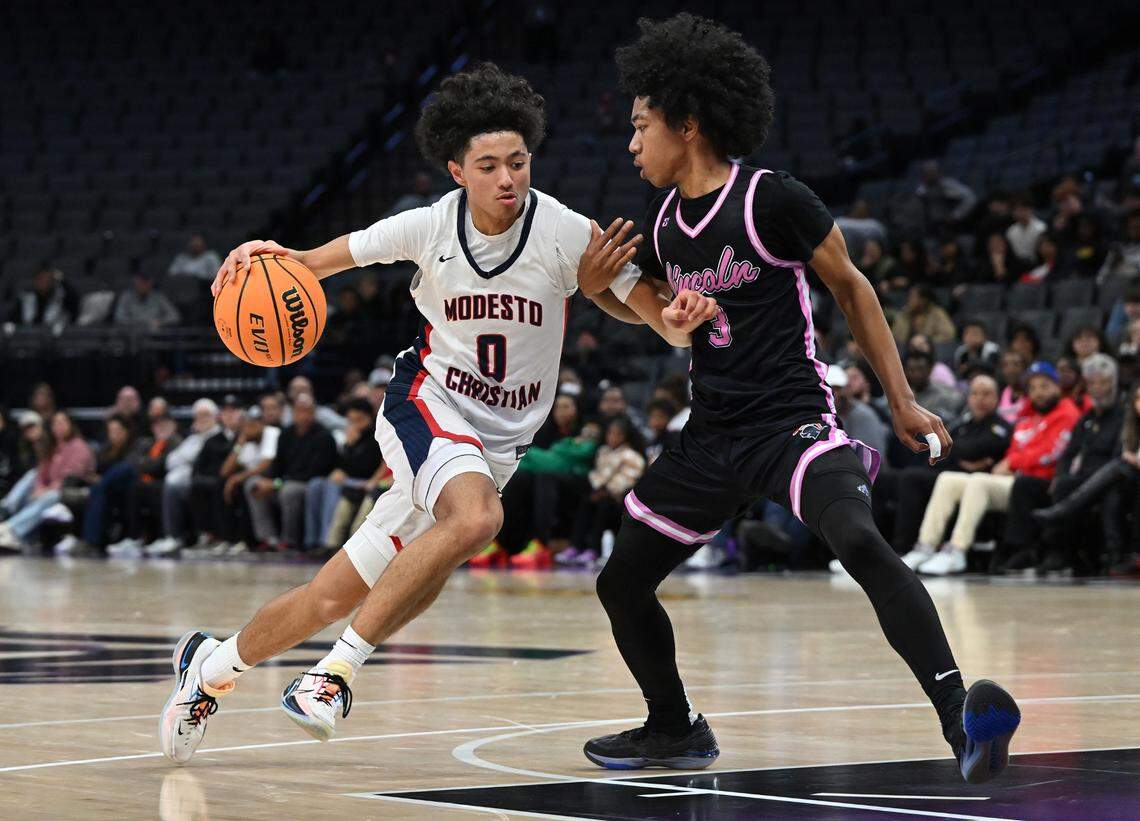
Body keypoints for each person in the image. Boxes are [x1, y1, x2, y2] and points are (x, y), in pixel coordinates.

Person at [161, 61, 674, 764]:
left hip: (496, 446)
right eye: (488, 165)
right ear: (457, 170)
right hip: (425, 407)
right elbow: (307, 263)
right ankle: (333, 677)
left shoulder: (565, 231)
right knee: (478, 519)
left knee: (331, 594)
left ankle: (209, 668)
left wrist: (668, 307)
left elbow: (665, 324)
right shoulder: (427, 226)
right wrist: (261, 255)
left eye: (518, 162)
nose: (507, 179)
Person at [578, 13, 1019, 784]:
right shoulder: (665, 225)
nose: (631, 143)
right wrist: (600, 294)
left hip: (792, 423)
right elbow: (652, 311)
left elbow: (852, 288)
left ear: (687, 126)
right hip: (711, 434)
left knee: (856, 536)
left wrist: (903, 400)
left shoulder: (770, 198)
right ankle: (674, 727)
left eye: (641, 125)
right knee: (620, 579)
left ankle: (961, 717)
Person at [907, 362, 1080, 575]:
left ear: (1057, 386)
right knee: (948, 478)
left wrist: (1011, 463)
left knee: (979, 480)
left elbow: (1050, 452)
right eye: (1033, 388)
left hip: (1040, 483)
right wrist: (1010, 462)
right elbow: (1015, 450)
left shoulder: (1067, 413)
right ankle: (926, 545)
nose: (1039, 393)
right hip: (1014, 480)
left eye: (1044, 386)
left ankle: (958, 550)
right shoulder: (1028, 416)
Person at [1002, 354, 1123, 575]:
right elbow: (1067, 455)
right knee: (1026, 485)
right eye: (1092, 383)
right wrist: (1058, 476)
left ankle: (1058, 553)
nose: (1098, 388)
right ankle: (1023, 550)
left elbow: (1117, 458)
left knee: (1067, 486)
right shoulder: (1086, 419)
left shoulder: (1121, 417)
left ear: (1113, 384)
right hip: (1075, 478)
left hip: (1103, 479)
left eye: (1103, 382)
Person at [892, 375, 1011, 566]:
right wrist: (965, 455)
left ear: (997, 399)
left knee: (914, 478)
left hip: (979, 480)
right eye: (975, 393)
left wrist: (961, 452)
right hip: (952, 475)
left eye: (986, 394)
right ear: (968, 397)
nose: (980, 398)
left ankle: (951, 550)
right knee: (909, 475)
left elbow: (973, 448)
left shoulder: (1001, 427)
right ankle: (919, 547)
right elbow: (945, 445)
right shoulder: (962, 424)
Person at [1028, 381, 1140, 576]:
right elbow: (1070, 452)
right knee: (1107, 492)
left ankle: (1064, 510)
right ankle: (1111, 556)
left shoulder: (1117, 417)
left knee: (1117, 466)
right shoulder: (1131, 428)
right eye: (1138, 398)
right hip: (1128, 480)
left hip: (1128, 473)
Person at [244, 393, 337, 551]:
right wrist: (270, 481)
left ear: (313, 413)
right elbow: (278, 466)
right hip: (283, 482)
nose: (302, 415)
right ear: (292, 412)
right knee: (253, 485)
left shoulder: (324, 437)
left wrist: (276, 483)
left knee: (289, 491)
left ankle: (289, 540)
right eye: (298, 411)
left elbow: (316, 472)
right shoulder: (285, 434)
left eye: (306, 411)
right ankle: (268, 538)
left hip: (309, 485)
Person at [0, 410, 95, 551]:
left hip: (72, 492)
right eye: (55, 423)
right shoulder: (51, 447)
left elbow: (71, 479)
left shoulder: (79, 446)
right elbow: (41, 474)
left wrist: (44, 490)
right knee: (32, 476)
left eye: (62, 423)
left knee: (52, 495)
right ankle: (6, 511)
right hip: (49, 491)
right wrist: (39, 488)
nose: (58, 427)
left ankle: (10, 529)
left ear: (71, 425)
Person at [143, 398, 220, 557]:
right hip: (189, 477)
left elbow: (196, 459)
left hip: (206, 478)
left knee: (180, 484)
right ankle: (171, 536)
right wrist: (187, 459)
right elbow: (171, 460)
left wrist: (186, 459)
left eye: (205, 415)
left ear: (215, 416)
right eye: (198, 415)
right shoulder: (192, 438)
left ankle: (194, 536)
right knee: (169, 481)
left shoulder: (218, 436)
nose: (201, 419)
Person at [304, 399, 383, 553]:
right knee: (317, 484)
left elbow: (373, 465)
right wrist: (347, 447)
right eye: (351, 421)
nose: (355, 424)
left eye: (359, 420)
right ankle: (311, 540)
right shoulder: (351, 438)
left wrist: (372, 481)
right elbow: (343, 465)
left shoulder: (377, 435)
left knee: (333, 486)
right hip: (350, 480)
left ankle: (327, 541)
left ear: (367, 417)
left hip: (366, 481)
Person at [55, 414, 138, 554]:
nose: (114, 434)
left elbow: (131, 470)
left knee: (122, 469)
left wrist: (101, 480)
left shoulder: (134, 448)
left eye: (117, 430)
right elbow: (95, 471)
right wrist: (92, 478)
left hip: (123, 487)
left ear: (126, 432)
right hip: (103, 489)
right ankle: (75, 535)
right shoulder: (105, 450)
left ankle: (90, 541)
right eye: (111, 431)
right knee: (91, 487)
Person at [571, 416, 646, 565]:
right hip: (601, 492)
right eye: (610, 433)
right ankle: (576, 546)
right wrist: (596, 488)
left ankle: (594, 550)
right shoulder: (603, 451)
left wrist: (606, 490)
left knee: (603, 506)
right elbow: (598, 474)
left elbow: (627, 480)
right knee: (585, 503)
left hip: (619, 500)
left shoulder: (632, 456)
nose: (613, 437)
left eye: (618, 434)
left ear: (625, 437)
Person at [9, 266, 79, 327]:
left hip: (54, 336)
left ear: (52, 282)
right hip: (30, 336)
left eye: (47, 280)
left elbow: (74, 301)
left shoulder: (61, 297)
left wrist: (63, 280)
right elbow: (13, 320)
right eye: (40, 279)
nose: (43, 282)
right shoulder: (27, 297)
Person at [890, 285, 956, 344]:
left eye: (913, 297)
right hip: (906, 350)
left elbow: (949, 334)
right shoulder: (903, 314)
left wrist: (927, 340)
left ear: (923, 300)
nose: (909, 300)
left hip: (930, 351)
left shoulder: (937, 313)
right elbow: (895, 337)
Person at [113, 271, 181, 329]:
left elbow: (174, 316)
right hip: (132, 333)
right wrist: (138, 324)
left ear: (150, 283)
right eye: (139, 283)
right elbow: (119, 317)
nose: (142, 286)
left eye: (144, 283)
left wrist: (161, 322)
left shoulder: (159, 297)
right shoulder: (126, 296)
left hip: (154, 333)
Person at [1006, 195, 1046, 263]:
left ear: (1030, 209)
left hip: (1039, 262)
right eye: (1016, 210)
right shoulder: (1011, 232)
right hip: (1020, 265)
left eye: (1022, 209)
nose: (1019, 213)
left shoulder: (1041, 228)